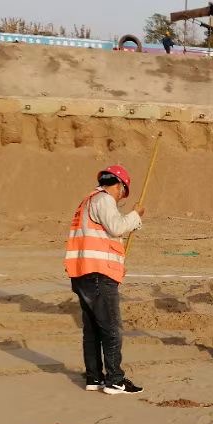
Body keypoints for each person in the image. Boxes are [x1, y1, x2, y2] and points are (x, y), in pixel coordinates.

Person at [64, 165, 144, 393]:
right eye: (123, 192)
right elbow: (117, 227)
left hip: (82, 272)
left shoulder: (87, 202)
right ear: (118, 185)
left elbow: (104, 235)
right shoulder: (104, 199)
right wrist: (136, 215)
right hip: (99, 274)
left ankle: (94, 377)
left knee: (92, 329)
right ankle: (115, 380)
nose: (121, 198)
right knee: (110, 328)